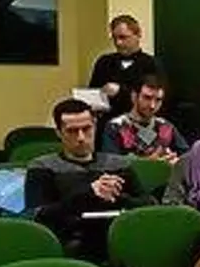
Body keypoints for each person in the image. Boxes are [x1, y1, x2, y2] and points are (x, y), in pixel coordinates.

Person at [25, 98, 152, 258]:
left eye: (87, 129)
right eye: (72, 131)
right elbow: (38, 215)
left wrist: (117, 196)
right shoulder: (43, 166)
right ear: (59, 133)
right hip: (69, 243)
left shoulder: (119, 164)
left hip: (118, 239)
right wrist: (90, 193)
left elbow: (146, 205)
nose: (81, 137)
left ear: (95, 126)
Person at [86, 15, 161, 122]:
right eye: (114, 38)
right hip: (106, 123)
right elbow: (92, 93)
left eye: (123, 37)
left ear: (138, 35)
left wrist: (121, 91)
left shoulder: (151, 64)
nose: (118, 43)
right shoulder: (104, 62)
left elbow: (155, 99)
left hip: (137, 124)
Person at [101, 75, 188, 160]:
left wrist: (176, 160)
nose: (152, 106)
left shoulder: (166, 126)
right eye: (147, 98)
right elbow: (110, 162)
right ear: (134, 96)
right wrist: (149, 163)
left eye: (158, 100)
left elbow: (187, 155)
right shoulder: (115, 126)